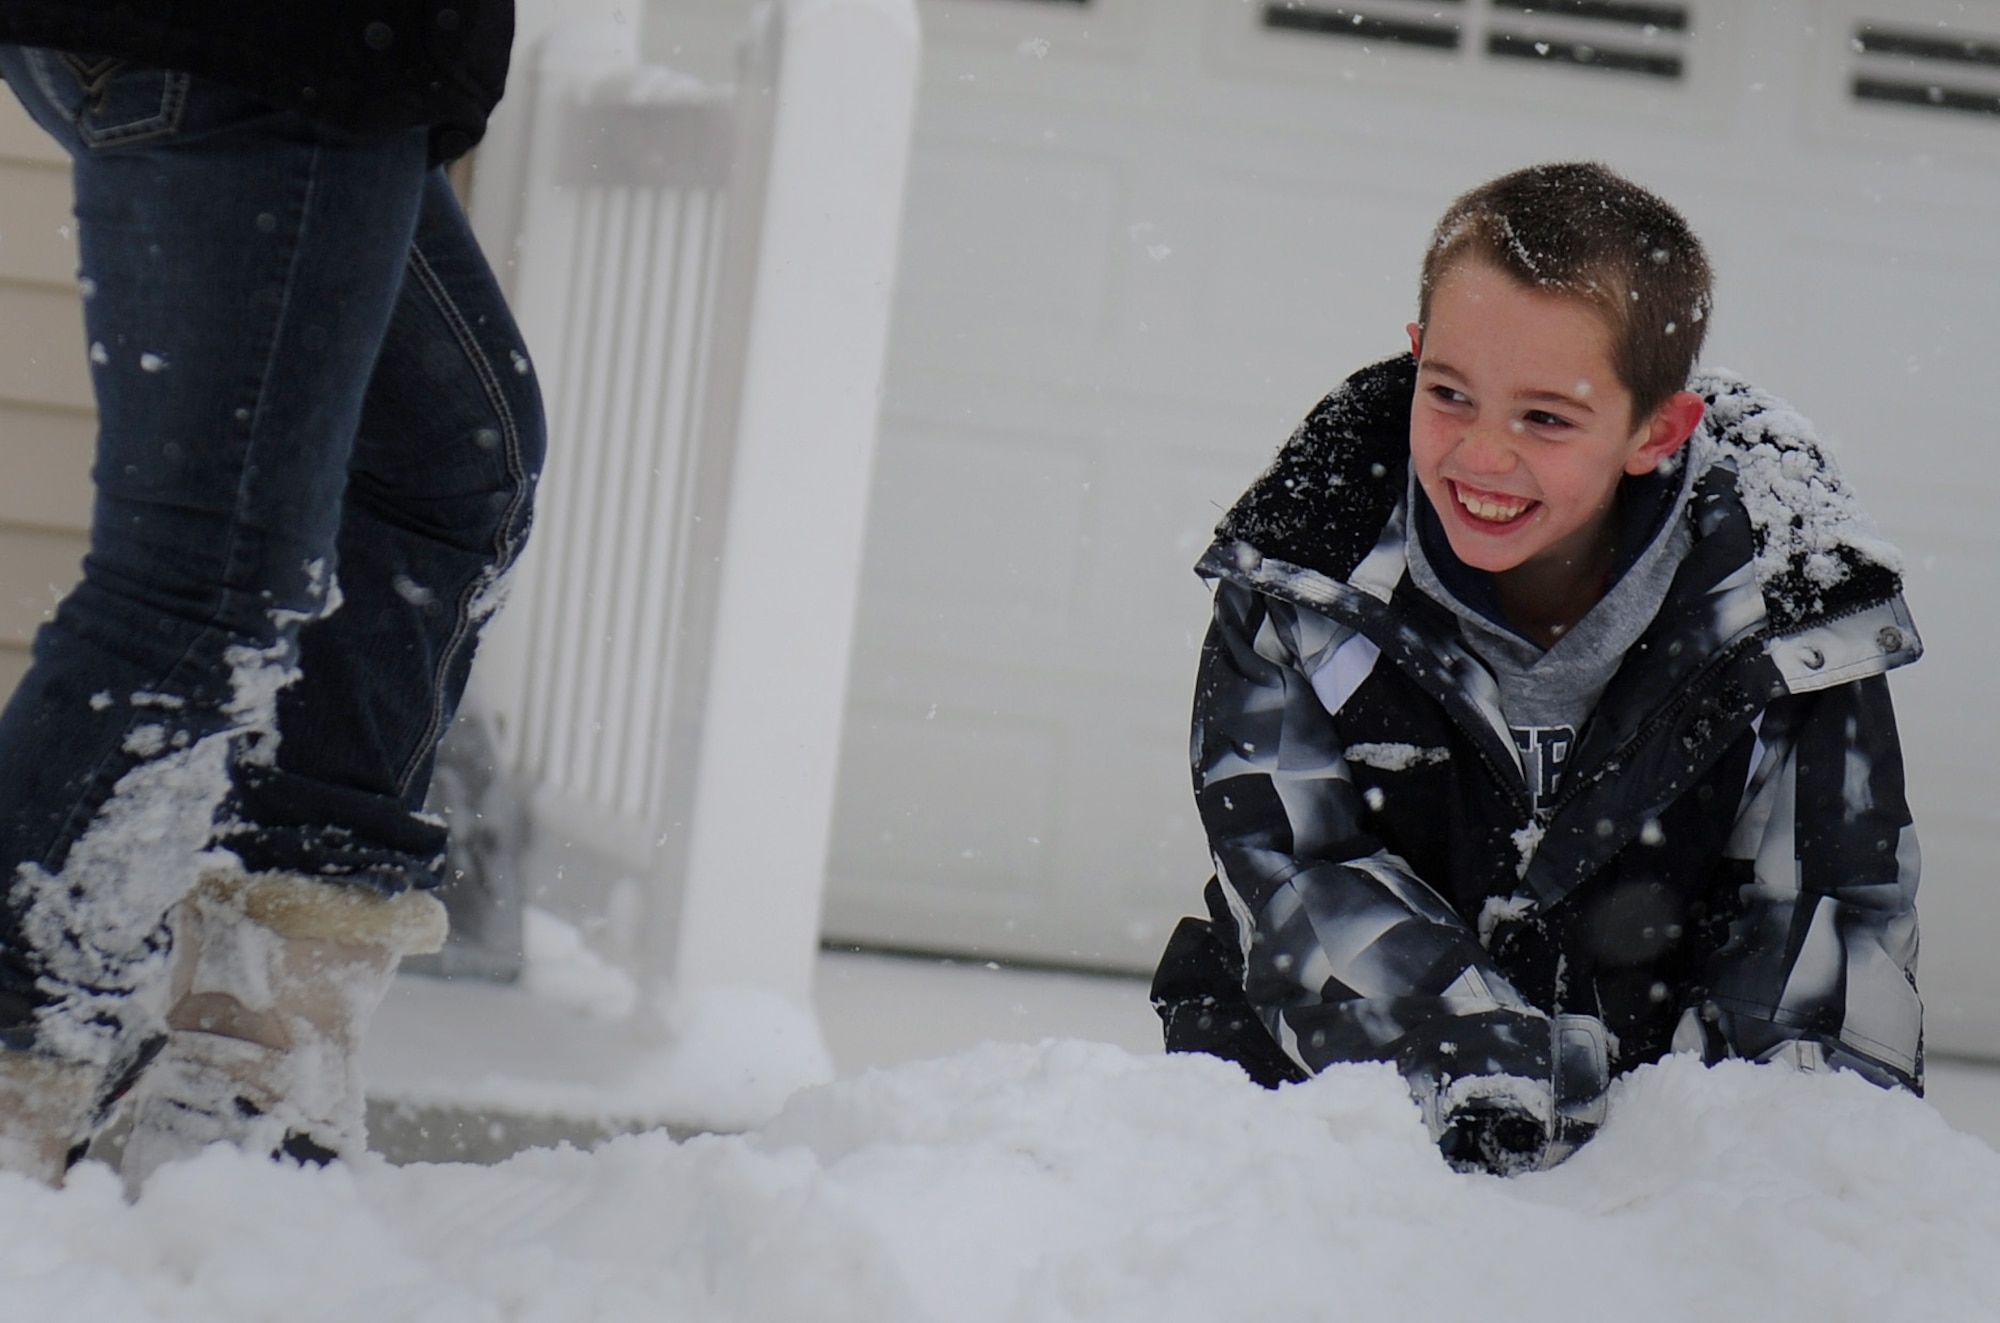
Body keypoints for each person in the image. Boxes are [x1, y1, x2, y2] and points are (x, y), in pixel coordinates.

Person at [1151, 163, 1922, 1177]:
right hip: (1331, 1116)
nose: (1480, 454)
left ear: (1656, 429)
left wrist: (1776, 1148)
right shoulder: (1307, 576)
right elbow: (1296, 865)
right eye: (1450, 394)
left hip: (1649, 1154)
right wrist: (1485, 1070)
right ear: (1414, 355)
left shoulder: (1781, 615)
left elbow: (1828, 905)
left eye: (1544, 418)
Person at [0, 0, 545, 1189]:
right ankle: (25, 1074)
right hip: (276, 44)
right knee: (202, 585)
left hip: (311, 54)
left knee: (446, 470)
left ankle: (250, 1055)